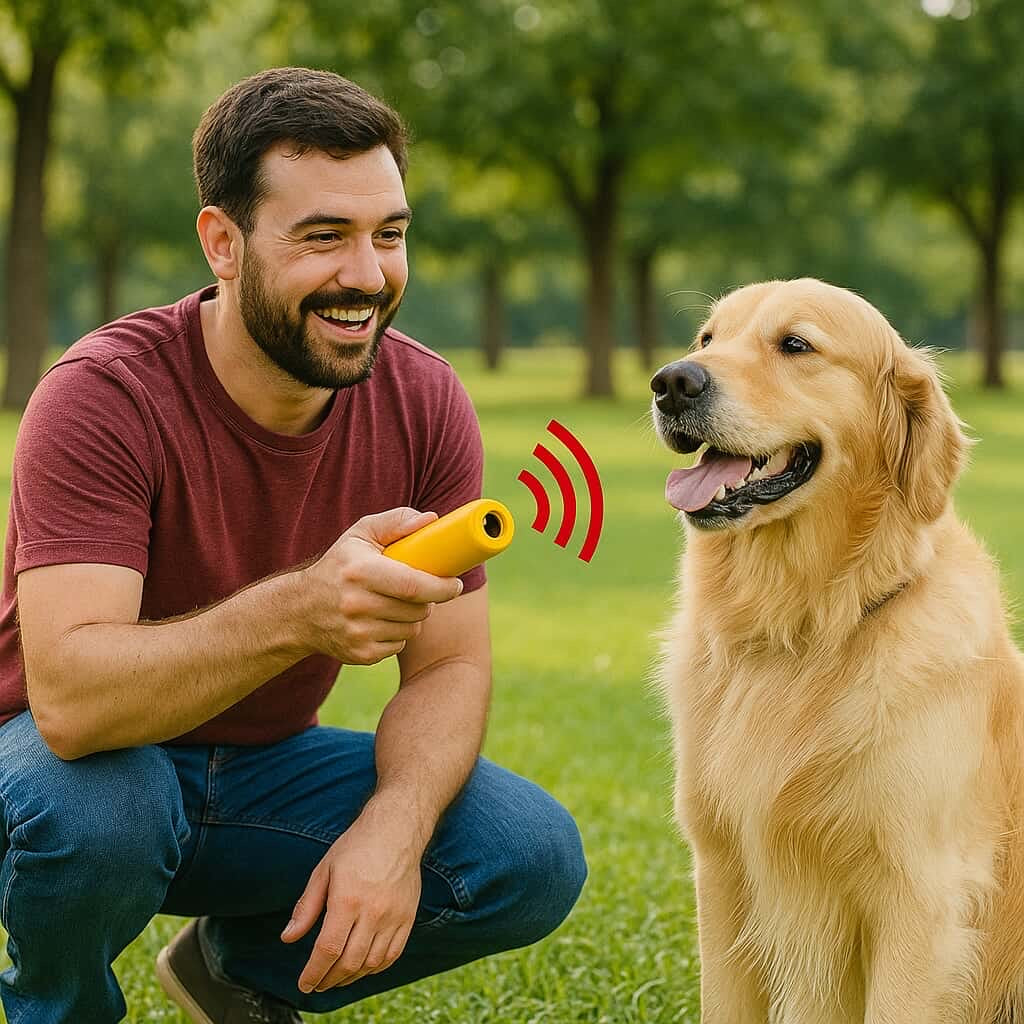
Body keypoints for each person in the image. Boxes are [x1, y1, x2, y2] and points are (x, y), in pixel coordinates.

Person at [0, 66, 587, 1023]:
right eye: (323, 237)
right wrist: (301, 609)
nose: (367, 275)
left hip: (264, 766)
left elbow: (448, 669)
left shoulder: (425, 400)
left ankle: (234, 972)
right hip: (57, 773)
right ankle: (57, 1008)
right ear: (222, 243)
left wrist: (394, 830)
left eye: (389, 235)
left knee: (524, 853)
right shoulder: (103, 394)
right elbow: (68, 703)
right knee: (104, 812)